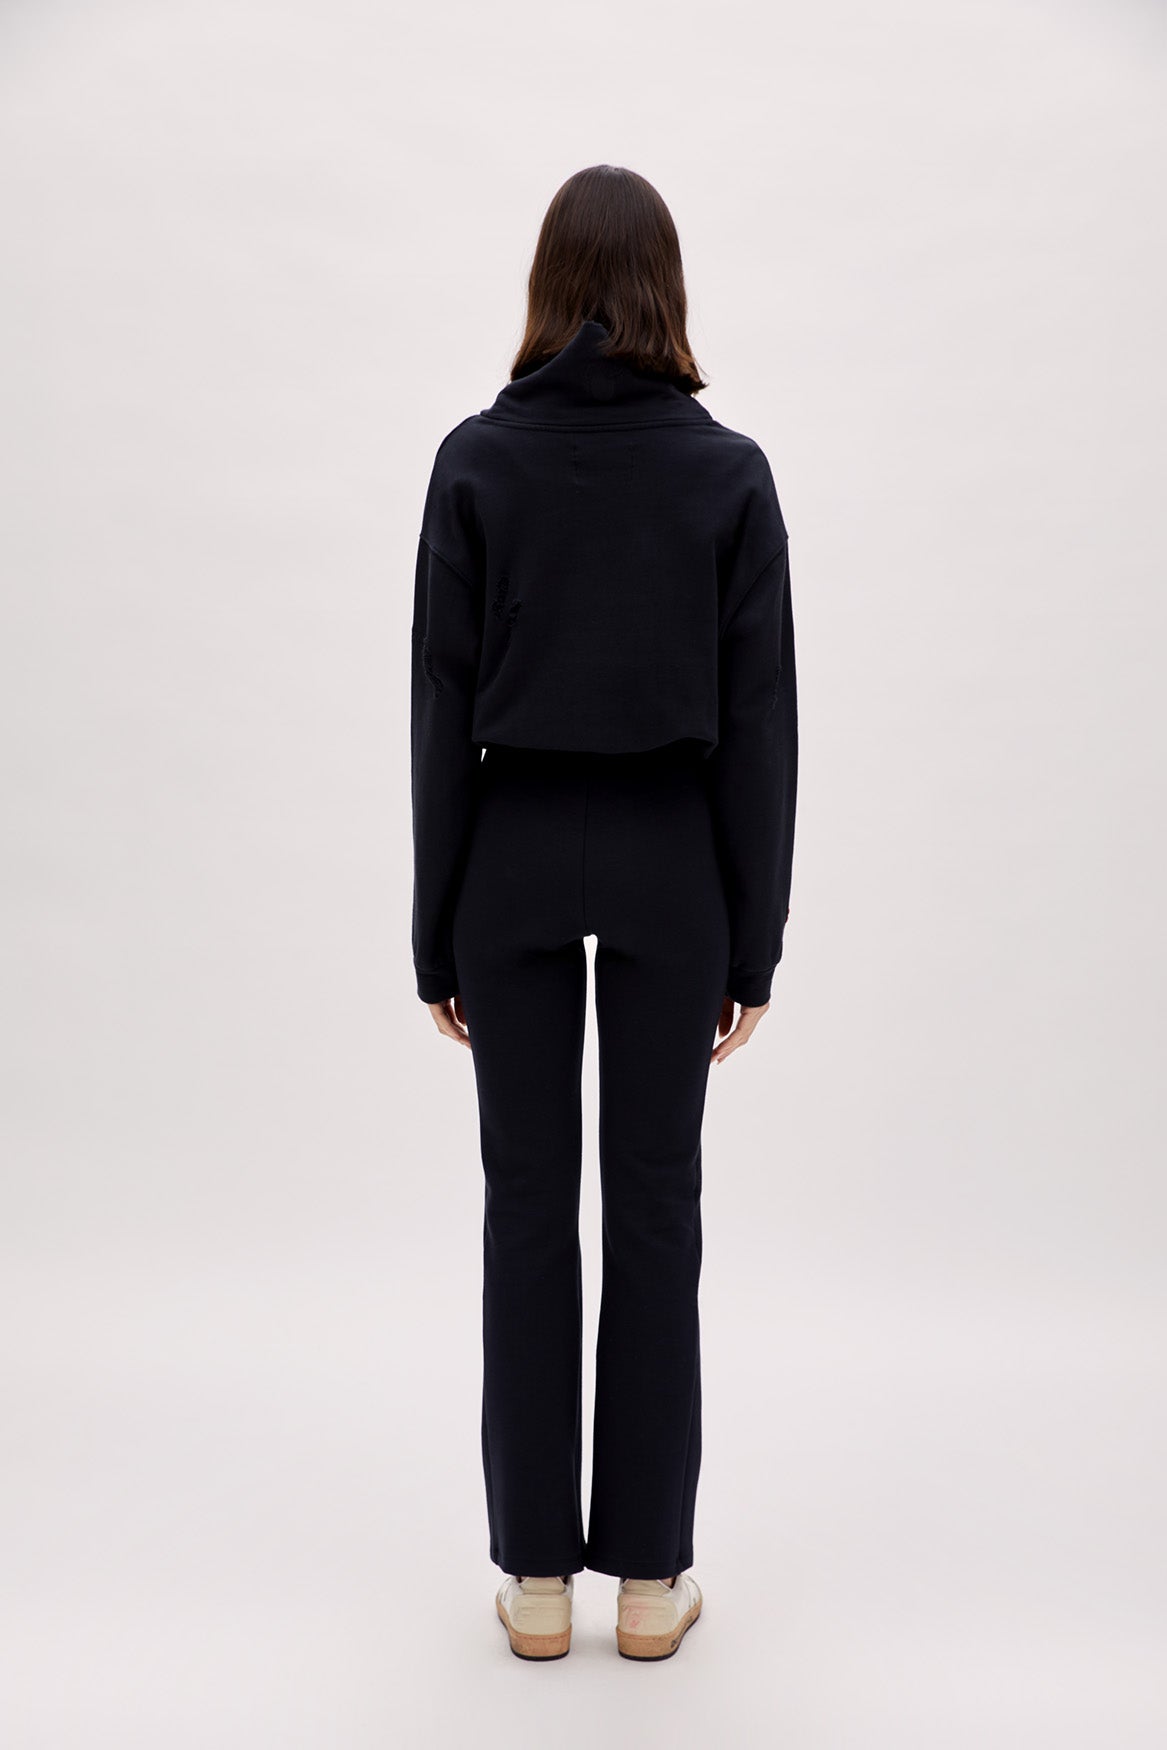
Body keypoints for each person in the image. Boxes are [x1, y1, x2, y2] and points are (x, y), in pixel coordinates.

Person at [409, 164, 798, 1662]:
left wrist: (436, 927)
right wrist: (754, 938)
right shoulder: (728, 475)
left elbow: (439, 708)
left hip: (509, 851)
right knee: (653, 1210)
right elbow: (759, 726)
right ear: (665, 291)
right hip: (668, 860)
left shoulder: (475, 462)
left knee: (524, 1208)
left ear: (547, 287)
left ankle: (531, 1583)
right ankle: (647, 1582)